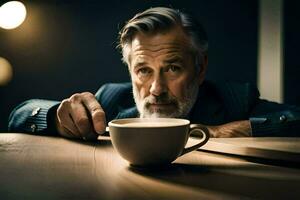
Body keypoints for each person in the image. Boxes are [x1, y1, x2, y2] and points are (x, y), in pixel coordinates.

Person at [8, 7, 300, 140]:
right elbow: (20, 113)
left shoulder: (234, 101)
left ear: (200, 69)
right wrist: (58, 115)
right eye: (144, 70)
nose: (156, 89)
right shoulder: (110, 98)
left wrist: (230, 130)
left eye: (172, 68)